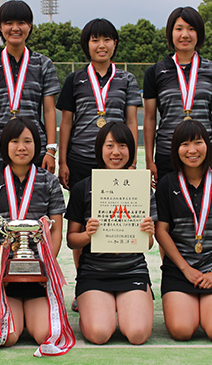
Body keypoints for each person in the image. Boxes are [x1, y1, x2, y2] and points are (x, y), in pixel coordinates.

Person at [0, 117, 66, 347]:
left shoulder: (50, 183)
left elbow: (56, 232)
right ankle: (14, 310)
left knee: (45, 335)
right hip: (2, 278)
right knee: (8, 336)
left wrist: (47, 266)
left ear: (36, 145)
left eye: (28, 141)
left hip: (39, 277)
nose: (22, 147)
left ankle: (30, 311)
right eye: (15, 141)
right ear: (5, 145)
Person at [65, 122, 155, 345]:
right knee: (99, 334)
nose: (116, 152)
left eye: (122, 145)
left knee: (137, 334)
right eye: (110, 145)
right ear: (100, 150)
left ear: (131, 151)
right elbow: (71, 240)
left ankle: (126, 304)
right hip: (94, 274)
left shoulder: (142, 187)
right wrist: (87, 235)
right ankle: (96, 304)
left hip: (132, 271)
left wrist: (149, 233)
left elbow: (149, 244)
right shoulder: (82, 188)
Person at [155, 120, 212, 341]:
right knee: (182, 331)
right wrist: (185, 269)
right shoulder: (167, 184)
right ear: (176, 149)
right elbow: (161, 231)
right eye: (184, 144)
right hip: (180, 269)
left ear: (207, 146)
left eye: (198, 142)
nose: (192, 150)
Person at [0, 0, 60, 178]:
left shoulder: (44, 64)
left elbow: (49, 110)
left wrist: (50, 150)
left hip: (34, 148)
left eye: (21, 23)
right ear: (0, 27)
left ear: (30, 26)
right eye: (8, 23)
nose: (15, 28)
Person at [143, 6, 212, 186]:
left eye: (191, 29)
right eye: (179, 28)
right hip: (168, 153)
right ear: (170, 33)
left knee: (205, 206)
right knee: (167, 210)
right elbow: (150, 118)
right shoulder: (156, 72)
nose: (185, 35)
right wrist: (149, 160)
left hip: (205, 153)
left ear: (199, 34)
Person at [57, 18, 141, 191]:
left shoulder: (127, 79)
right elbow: (66, 122)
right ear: (86, 44)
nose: (101, 45)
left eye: (107, 40)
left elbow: (131, 121)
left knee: (113, 214)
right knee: (80, 213)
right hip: (80, 159)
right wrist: (63, 162)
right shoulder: (74, 80)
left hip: (115, 160)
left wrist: (131, 162)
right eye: (95, 40)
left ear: (114, 43)